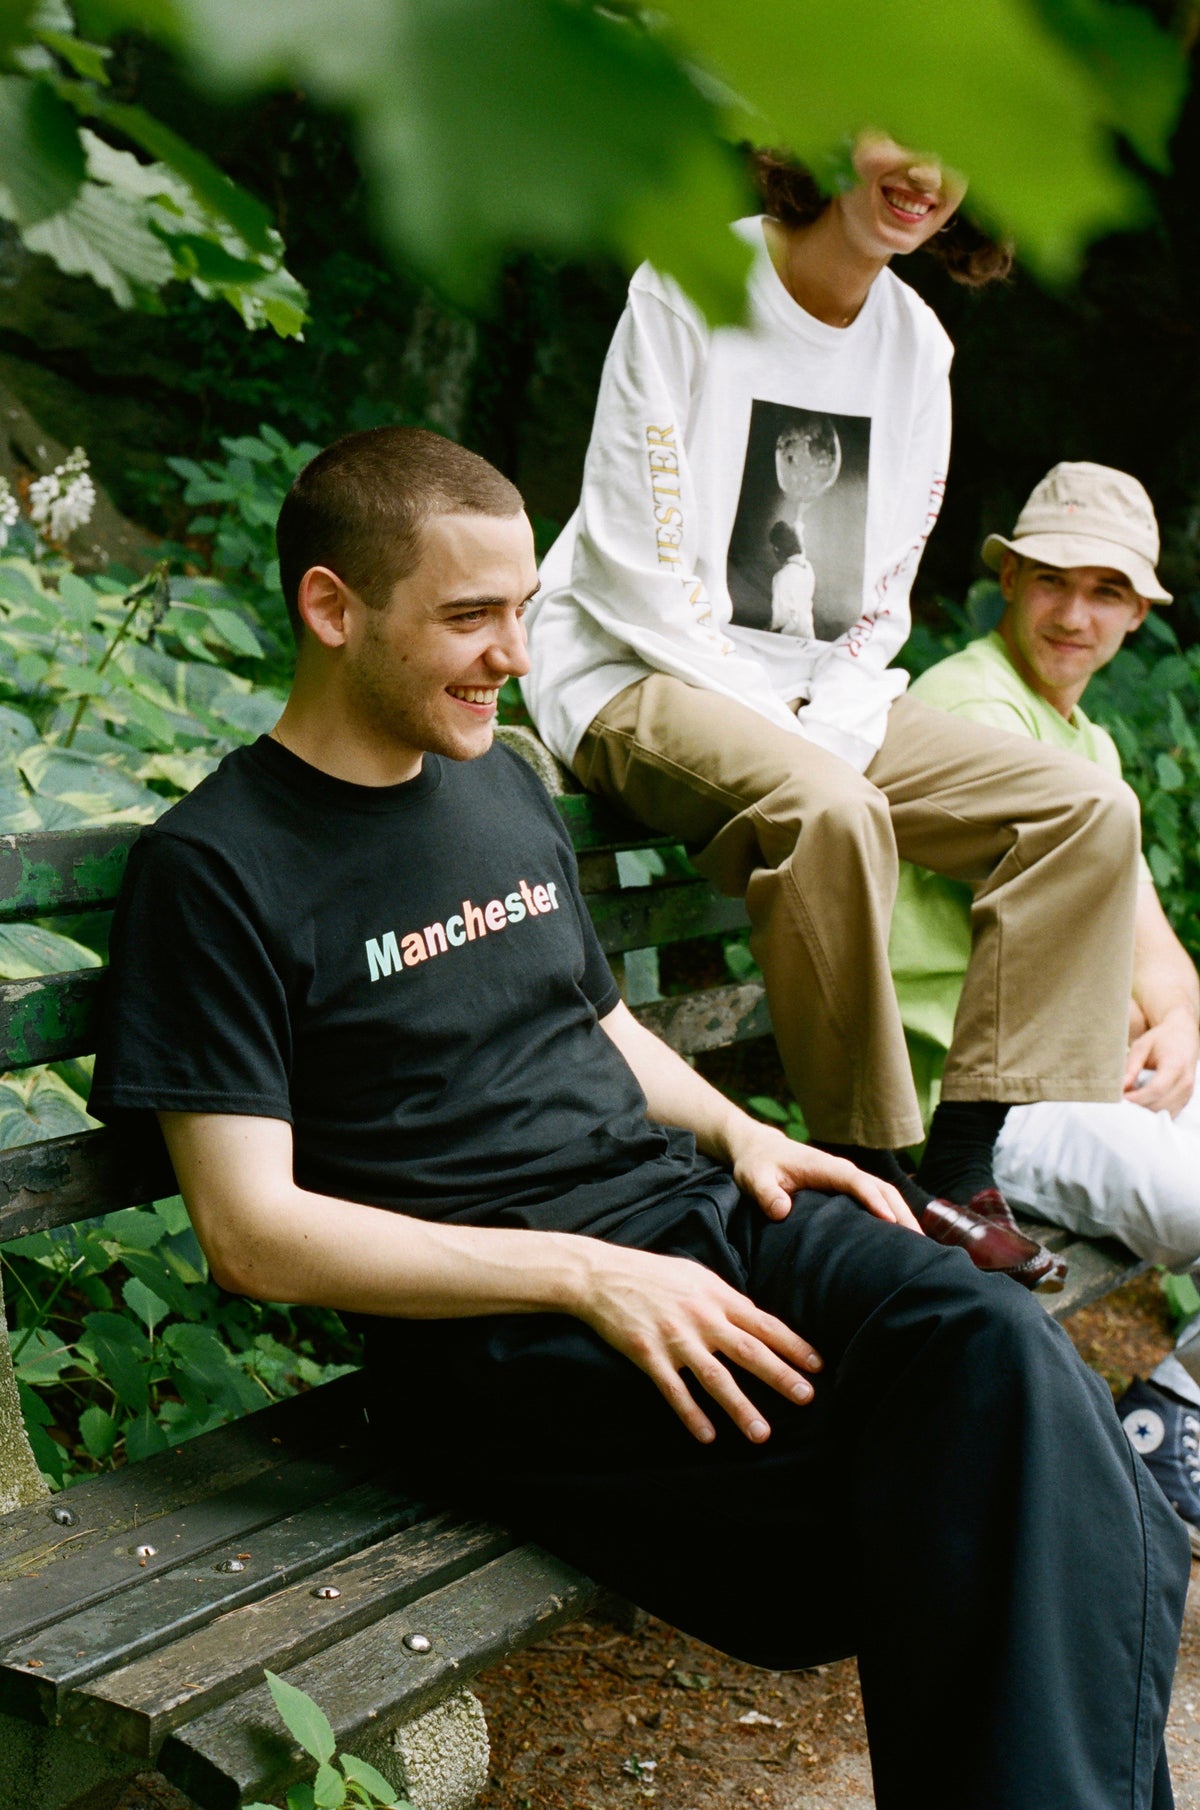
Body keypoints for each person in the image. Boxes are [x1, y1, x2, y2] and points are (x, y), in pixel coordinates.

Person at [89, 426, 1189, 1810]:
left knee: (1005, 1354)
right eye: (471, 616)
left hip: (693, 1218)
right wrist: (586, 1274)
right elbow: (250, 1234)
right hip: (510, 1335)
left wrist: (744, 1133)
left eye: (525, 610)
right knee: (1030, 1494)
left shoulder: (498, 781)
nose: (514, 654)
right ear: (331, 606)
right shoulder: (216, 868)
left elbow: (594, 1019)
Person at [520, 133, 1146, 1291]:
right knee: (834, 805)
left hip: (818, 703)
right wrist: (794, 735)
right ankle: (875, 1172)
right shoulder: (692, 282)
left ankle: (963, 1169)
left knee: (1085, 812)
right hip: (635, 669)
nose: (928, 173)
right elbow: (634, 568)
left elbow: (882, 598)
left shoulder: (917, 348)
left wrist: (827, 718)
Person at [886, 459, 1200, 1545]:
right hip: (978, 1107)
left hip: (1072, 1073)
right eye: (1054, 581)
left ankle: (1174, 1414)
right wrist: (1141, 1020)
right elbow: (1075, 959)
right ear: (1010, 578)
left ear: (1139, 613)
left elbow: (1158, 960)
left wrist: (1178, 1025)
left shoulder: (1085, 741)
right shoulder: (968, 710)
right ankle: (1172, 1421)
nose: (1075, 615)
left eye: (1106, 592)